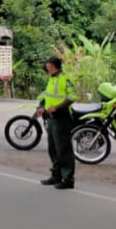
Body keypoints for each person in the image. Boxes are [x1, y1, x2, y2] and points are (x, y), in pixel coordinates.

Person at [36, 56, 78, 189]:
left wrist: (57, 107)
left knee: (63, 150)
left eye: (48, 66)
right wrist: (41, 107)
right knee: (53, 149)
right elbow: (46, 96)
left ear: (54, 66)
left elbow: (73, 96)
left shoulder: (65, 79)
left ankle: (68, 179)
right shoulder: (51, 79)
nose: (47, 68)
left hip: (62, 118)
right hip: (51, 118)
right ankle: (56, 176)